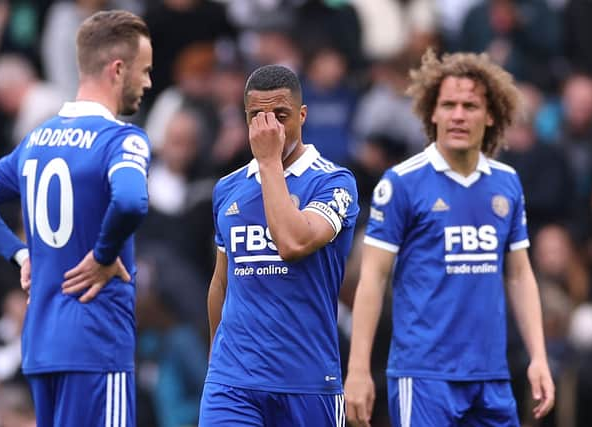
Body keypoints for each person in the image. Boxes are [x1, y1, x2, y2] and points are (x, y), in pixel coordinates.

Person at [0, 10, 152, 427]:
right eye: (145, 70)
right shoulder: (120, 139)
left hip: (43, 344)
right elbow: (132, 201)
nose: (149, 82)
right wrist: (103, 254)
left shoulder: (36, 142)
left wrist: (23, 257)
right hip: (97, 341)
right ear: (118, 70)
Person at [344, 49, 555, 427]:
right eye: (449, 104)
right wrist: (358, 370)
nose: (458, 115)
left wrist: (539, 356)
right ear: (433, 112)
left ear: (490, 115)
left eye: (470, 105)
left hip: (491, 375)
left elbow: (520, 275)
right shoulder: (401, 183)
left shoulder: (506, 183)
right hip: (424, 376)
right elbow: (373, 278)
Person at [199, 64, 359, 426]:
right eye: (258, 117)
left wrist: (269, 162)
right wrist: (216, 364)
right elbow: (222, 281)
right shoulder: (228, 188)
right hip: (233, 382)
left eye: (281, 116)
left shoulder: (334, 182)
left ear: (303, 115)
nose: (269, 128)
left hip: (306, 382)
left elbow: (293, 242)